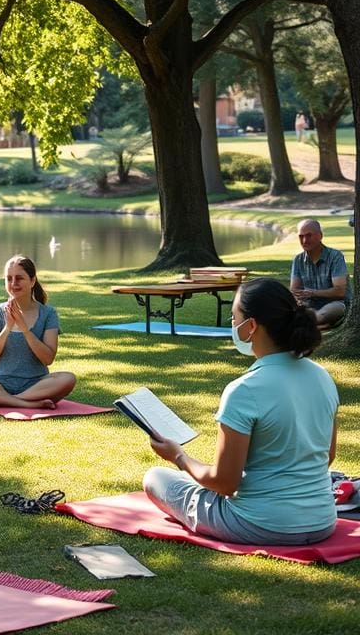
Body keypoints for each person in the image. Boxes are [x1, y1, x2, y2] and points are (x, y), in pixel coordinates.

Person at [143, 278, 338, 545]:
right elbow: (327, 456)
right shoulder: (323, 377)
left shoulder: (244, 390)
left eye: (234, 318)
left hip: (258, 524)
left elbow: (224, 483)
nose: (233, 325)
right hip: (322, 521)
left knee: (156, 477)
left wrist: (178, 456)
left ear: (252, 326)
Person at [0, 255, 76, 408]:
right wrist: (7, 328)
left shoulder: (48, 313)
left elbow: (48, 358)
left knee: (68, 379)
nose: (13, 283)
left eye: (19, 278)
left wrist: (24, 329)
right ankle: (25, 403)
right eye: (8, 279)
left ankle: (2, 400)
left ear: (32, 281)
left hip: (35, 385)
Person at [290, 218, 349, 327]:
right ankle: (319, 324)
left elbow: (340, 292)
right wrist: (298, 297)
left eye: (309, 235)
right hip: (309, 305)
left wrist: (313, 293)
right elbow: (294, 290)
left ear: (320, 236)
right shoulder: (298, 260)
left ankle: (311, 322)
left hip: (335, 304)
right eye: (301, 236)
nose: (304, 241)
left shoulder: (335, 257)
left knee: (335, 309)